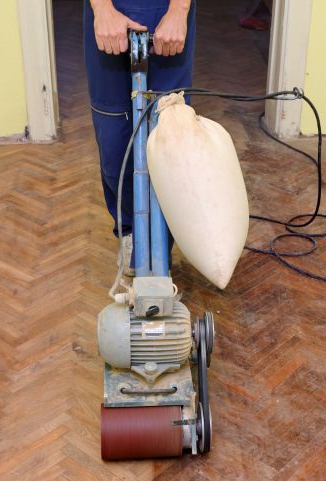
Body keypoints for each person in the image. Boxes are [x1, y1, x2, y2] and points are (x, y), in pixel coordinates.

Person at [84, 0, 195, 275]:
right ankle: (131, 233)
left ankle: (159, 250)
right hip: (108, 11)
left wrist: (179, 11)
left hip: (167, 11)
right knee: (114, 137)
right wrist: (102, 10)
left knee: (169, 131)